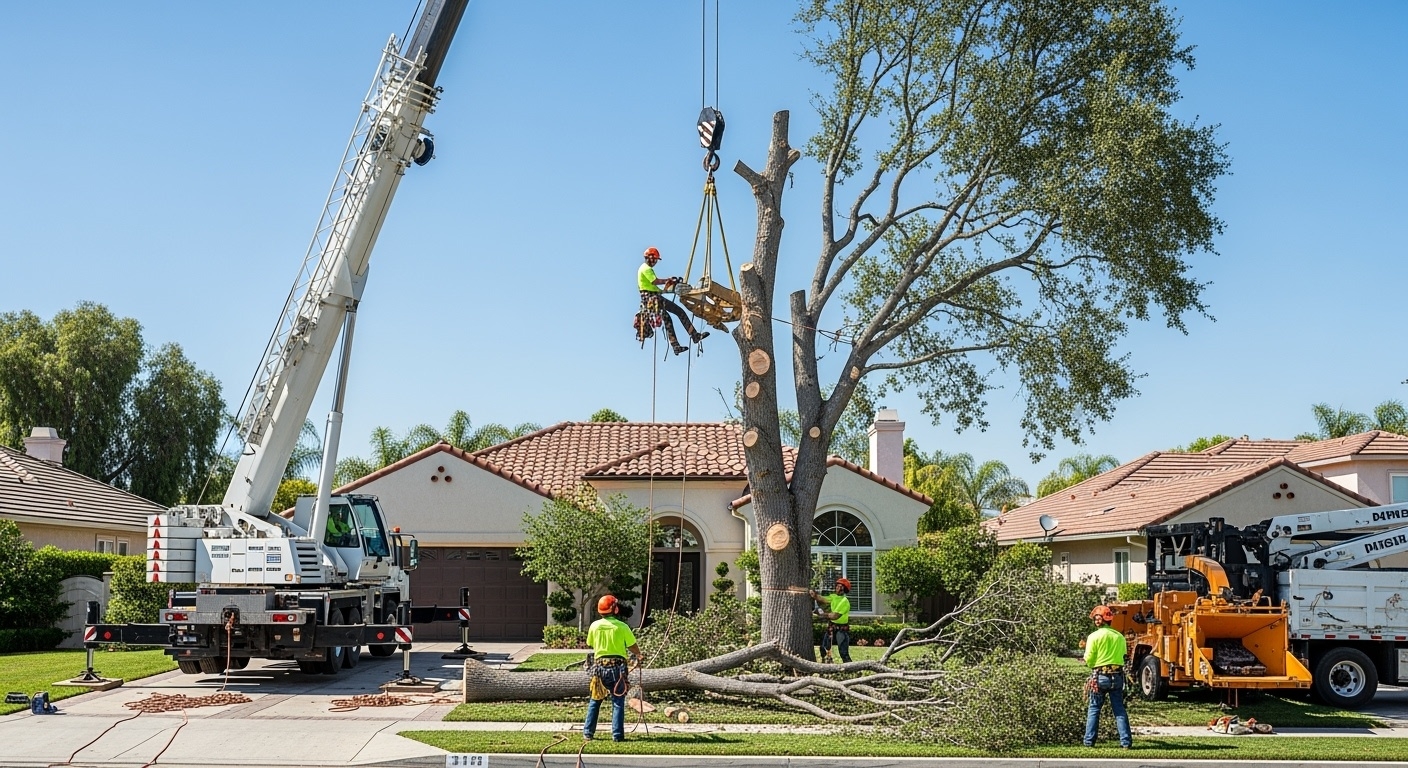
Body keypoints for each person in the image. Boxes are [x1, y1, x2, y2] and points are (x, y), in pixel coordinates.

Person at [583, 594, 644, 742]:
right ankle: (617, 735)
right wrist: (639, 655)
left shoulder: (594, 626)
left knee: (595, 701)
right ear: (615, 609)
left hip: (599, 669)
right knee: (617, 702)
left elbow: (590, 643)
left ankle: (588, 733)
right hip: (617, 669)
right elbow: (632, 645)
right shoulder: (622, 627)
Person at [638, 246, 708, 355]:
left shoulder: (645, 269)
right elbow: (655, 282)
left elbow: (656, 289)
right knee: (679, 311)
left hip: (651, 298)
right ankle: (694, 335)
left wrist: (669, 287)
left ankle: (675, 346)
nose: (656, 262)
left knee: (667, 319)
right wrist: (668, 280)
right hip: (652, 298)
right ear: (650, 258)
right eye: (655, 259)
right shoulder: (646, 269)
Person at [1083, 605, 1133, 749]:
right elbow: (1123, 656)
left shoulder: (1093, 637)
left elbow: (1089, 659)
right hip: (1117, 677)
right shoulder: (1119, 637)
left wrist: (1091, 663)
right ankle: (1126, 742)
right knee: (1119, 710)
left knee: (1094, 708)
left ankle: (1089, 742)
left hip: (1099, 677)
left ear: (1099, 620)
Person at [809, 577, 852, 663]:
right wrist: (815, 595)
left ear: (844, 589)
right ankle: (825, 664)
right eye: (837, 586)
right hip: (832, 626)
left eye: (840, 586)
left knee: (843, 652)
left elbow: (835, 616)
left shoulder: (844, 601)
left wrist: (821, 614)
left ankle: (851, 669)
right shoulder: (834, 597)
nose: (837, 588)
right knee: (824, 648)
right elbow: (823, 599)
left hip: (841, 629)